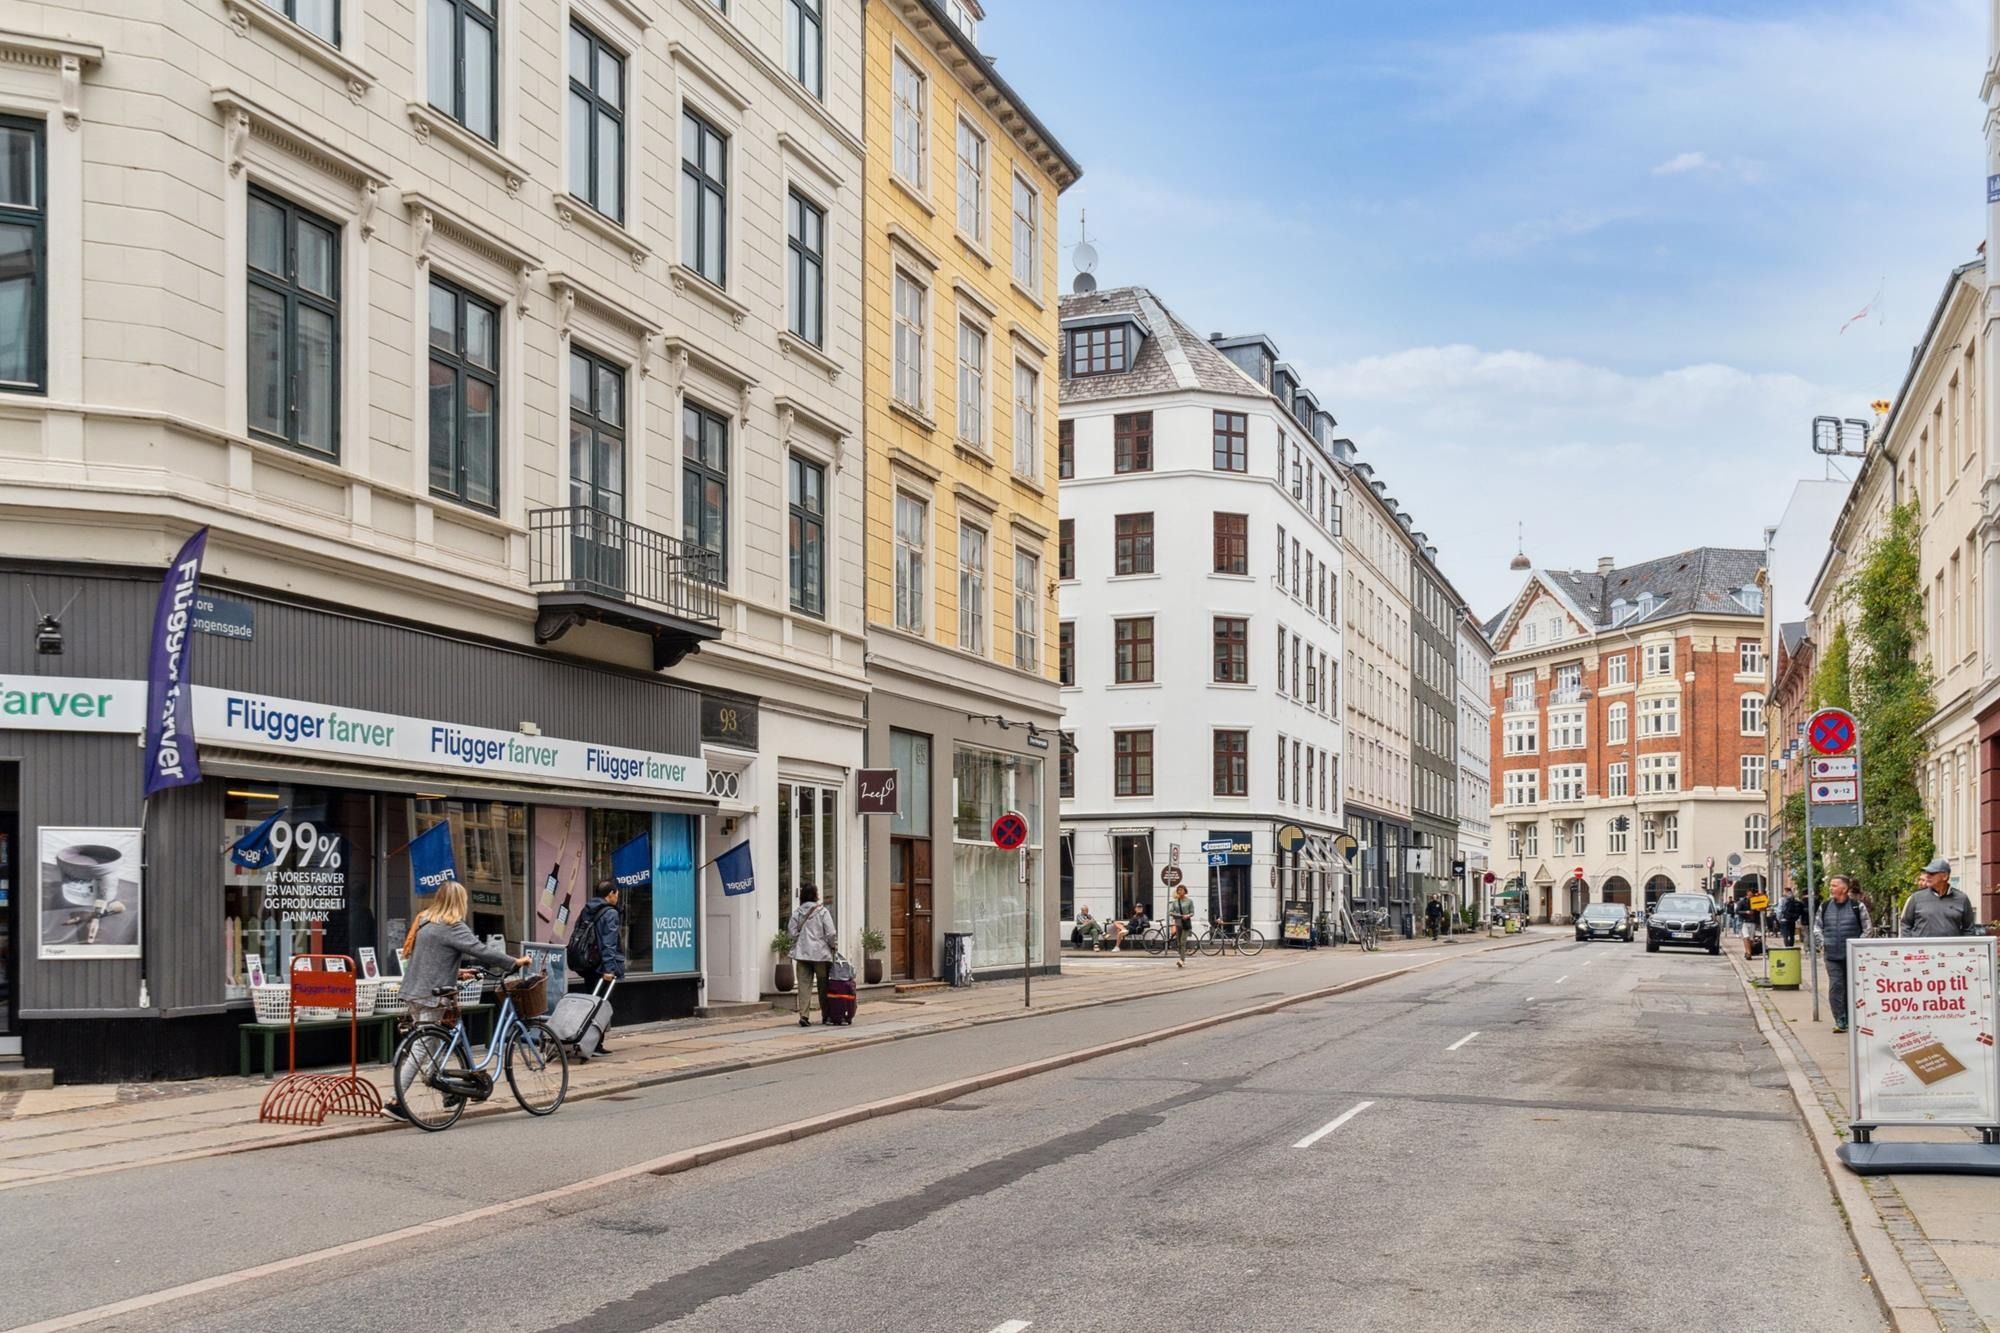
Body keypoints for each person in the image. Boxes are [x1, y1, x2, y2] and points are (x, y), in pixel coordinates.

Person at [387, 880, 530, 1121]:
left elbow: (431, 960)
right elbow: (481, 950)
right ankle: (394, 1101)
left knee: (432, 1045)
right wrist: (513, 962)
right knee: (422, 1048)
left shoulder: (425, 921)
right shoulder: (452, 925)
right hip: (433, 995)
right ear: (459, 902)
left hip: (414, 991)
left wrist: (458, 972)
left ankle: (448, 1092)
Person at [570, 880, 628, 1053]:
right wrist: (609, 969)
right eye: (616, 893)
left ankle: (588, 1040)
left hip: (587, 962)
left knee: (591, 1001)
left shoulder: (588, 909)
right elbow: (609, 943)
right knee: (601, 1005)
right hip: (601, 966)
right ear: (610, 894)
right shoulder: (610, 913)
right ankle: (593, 1043)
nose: (617, 897)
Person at [1816, 875, 1871, 1034]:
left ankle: (1854, 1017)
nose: (1831, 888)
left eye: (1834, 885)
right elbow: (1817, 927)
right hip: (1832, 954)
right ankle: (1840, 1019)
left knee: (1853, 986)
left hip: (1853, 955)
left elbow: (1868, 929)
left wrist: (1858, 946)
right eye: (1831, 885)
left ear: (1844, 889)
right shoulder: (1825, 906)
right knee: (1836, 986)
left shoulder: (1857, 906)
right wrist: (1824, 943)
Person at [789, 883, 838, 1026]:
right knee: (824, 985)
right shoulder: (822, 911)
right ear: (816, 895)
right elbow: (831, 932)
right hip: (820, 955)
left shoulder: (797, 912)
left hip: (802, 954)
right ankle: (826, 1015)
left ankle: (804, 1016)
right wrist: (832, 945)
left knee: (804, 986)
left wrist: (801, 938)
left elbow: (791, 932)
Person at [1897, 859, 1976, 938]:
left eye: (1932, 873)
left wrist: (1962, 947)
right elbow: (1905, 924)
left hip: (1950, 949)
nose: (1927, 876)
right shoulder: (1916, 898)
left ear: (1945, 876)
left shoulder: (1962, 899)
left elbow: (1969, 929)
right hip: (1922, 949)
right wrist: (1910, 945)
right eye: (1927, 873)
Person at [1169, 885, 1195, 968]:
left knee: (1183, 941)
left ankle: (1182, 960)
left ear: (1185, 891)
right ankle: (1182, 958)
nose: (1180, 891)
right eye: (1178, 890)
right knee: (1179, 943)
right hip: (1178, 923)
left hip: (1185, 923)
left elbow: (1192, 912)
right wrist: (1177, 914)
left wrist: (1187, 915)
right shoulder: (1175, 902)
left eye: (1181, 890)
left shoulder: (1189, 901)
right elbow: (1170, 912)